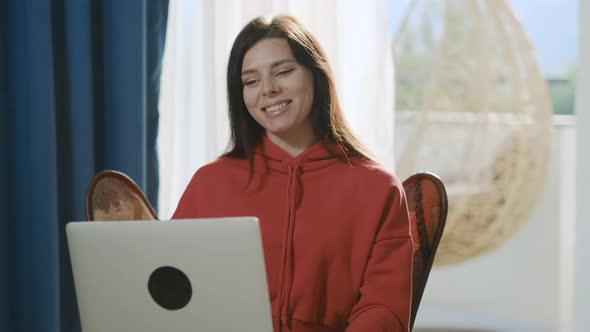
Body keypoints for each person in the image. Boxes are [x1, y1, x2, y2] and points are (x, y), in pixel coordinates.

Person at [173, 15, 413, 332]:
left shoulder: (378, 189)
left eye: (283, 71)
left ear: (316, 75)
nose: (268, 90)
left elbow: (384, 310)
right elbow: (174, 293)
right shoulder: (209, 184)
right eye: (251, 81)